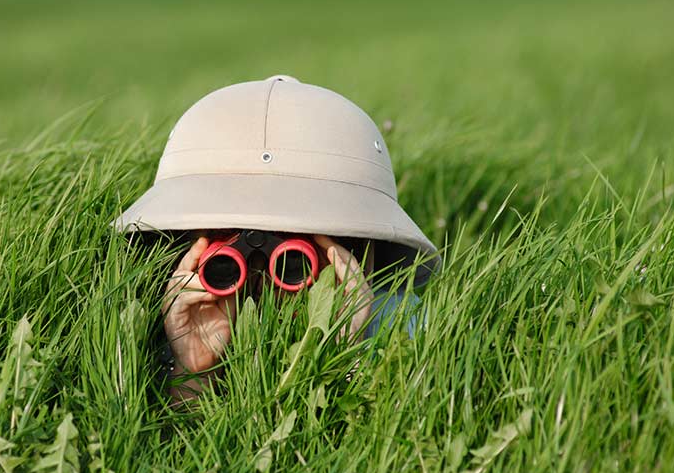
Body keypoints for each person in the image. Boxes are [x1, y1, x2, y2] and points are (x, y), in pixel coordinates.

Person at [111, 75, 440, 404]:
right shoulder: (159, 323)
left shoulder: (402, 324)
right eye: (227, 246)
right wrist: (193, 371)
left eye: (293, 258)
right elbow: (166, 453)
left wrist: (342, 354)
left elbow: (389, 448)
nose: (262, 273)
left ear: (351, 247)